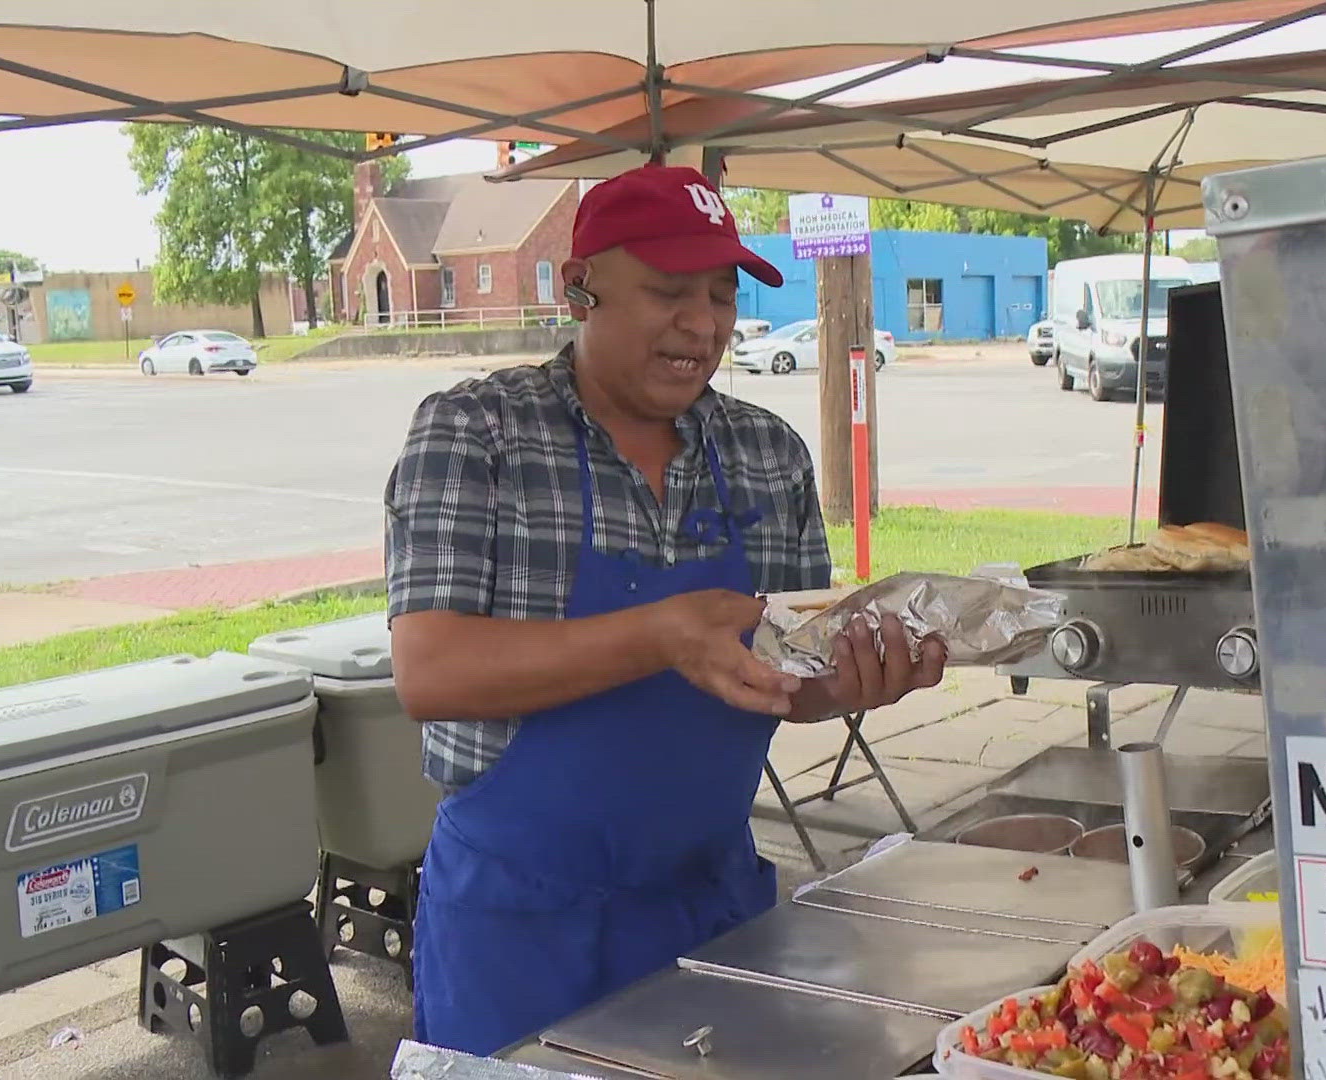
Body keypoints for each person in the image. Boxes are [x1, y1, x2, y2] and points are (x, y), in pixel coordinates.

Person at [384, 163, 949, 1057]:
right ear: (580, 289)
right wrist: (661, 634)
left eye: (722, 294)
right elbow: (431, 672)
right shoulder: (477, 434)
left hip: (712, 911)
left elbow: (787, 679)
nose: (704, 323)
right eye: (669, 290)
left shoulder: (768, 451)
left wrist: (858, 682)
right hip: (517, 929)